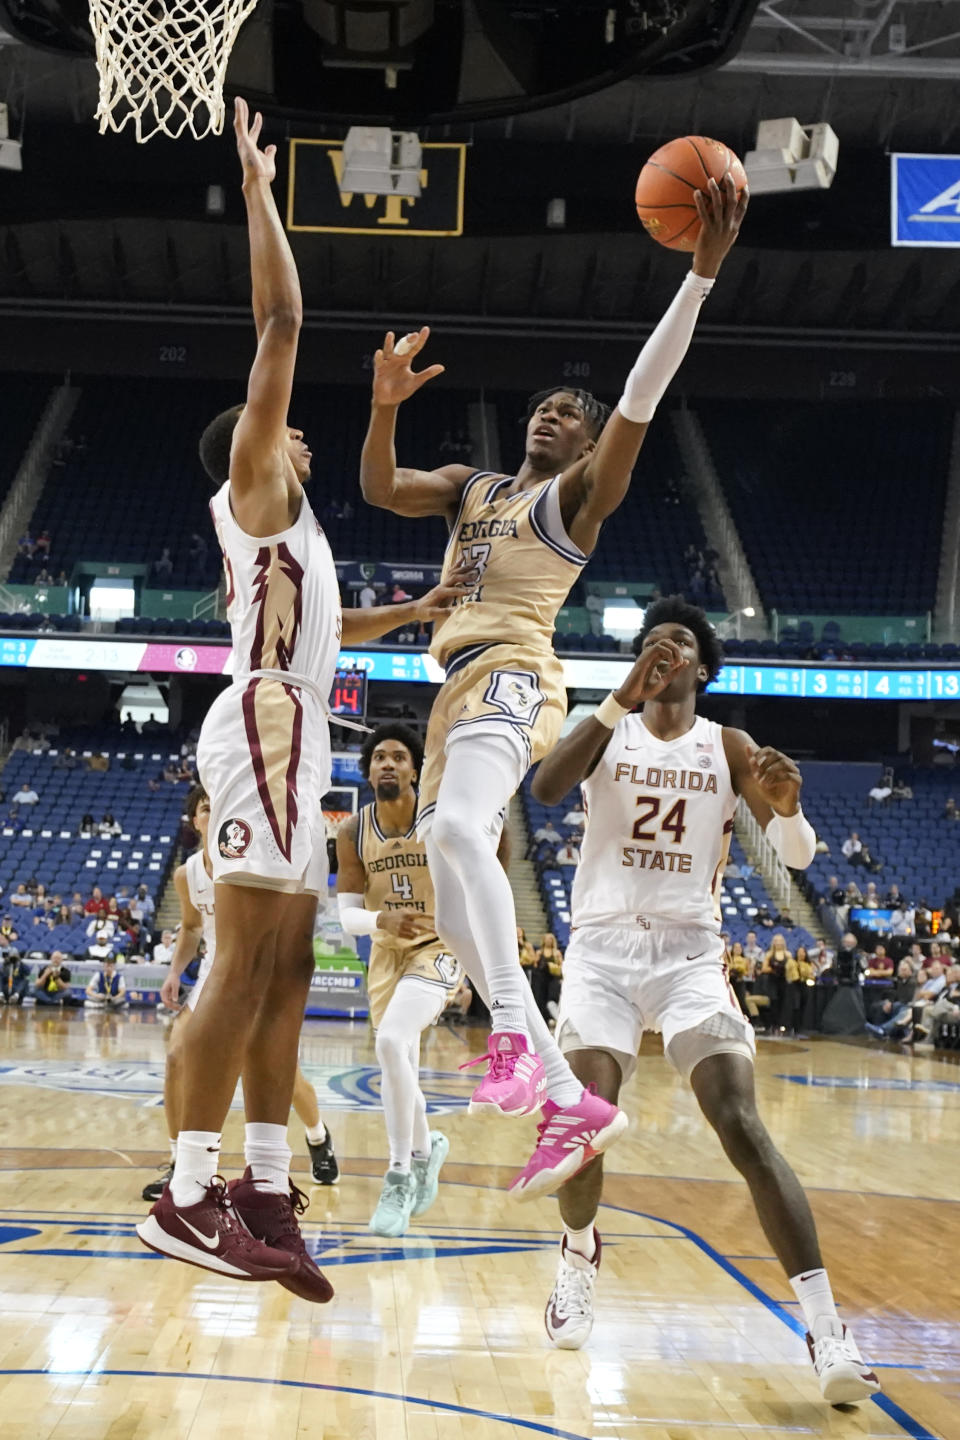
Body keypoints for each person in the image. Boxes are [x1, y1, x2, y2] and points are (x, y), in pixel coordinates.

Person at [138, 100, 468, 1292]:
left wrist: (414, 615)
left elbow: (330, 642)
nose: (303, 439)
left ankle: (268, 1187)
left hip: (296, 715)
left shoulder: (299, 543)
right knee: (242, 964)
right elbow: (282, 316)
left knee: (285, 973)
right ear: (258, 445)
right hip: (269, 723)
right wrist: (259, 183)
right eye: (285, 431)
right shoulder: (257, 486)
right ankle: (186, 1195)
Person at [359, 178, 746, 1196]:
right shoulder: (472, 488)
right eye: (542, 406)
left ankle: (530, 1057)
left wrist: (700, 275)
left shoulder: (577, 501)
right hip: (452, 695)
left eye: (569, 413)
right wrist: (383, 409)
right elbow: (376, 488)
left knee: (448, 839)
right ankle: (546, 1079)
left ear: (584, 448)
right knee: (449, 883)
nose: (553, 415)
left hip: (517, 676)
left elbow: (640, 397)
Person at [530, 596, 879, 1405]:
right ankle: (579, 1253)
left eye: (680, 639)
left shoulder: (727, 743)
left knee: (741, 1122)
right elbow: (546, 789)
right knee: (586, 1119)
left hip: (688, 955)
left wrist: (788, 812)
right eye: (653, 638)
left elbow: (792, 850)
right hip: (603, 951)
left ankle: (828, 1330)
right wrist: (615, 696)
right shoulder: (606, 725)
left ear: (703, 666)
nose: (665, 646)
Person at [337, 724, 501, 1235]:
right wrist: (382, 921)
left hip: (437, 946)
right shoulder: (351, 831)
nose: (388, 764)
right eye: (379, 757)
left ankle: (400, 1174)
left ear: (415, 770)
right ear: (367, 772)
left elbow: (492, 855)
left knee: (390, 1042)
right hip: (387, 953)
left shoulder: (437, 820)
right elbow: (345, 915)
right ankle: (428, 1149)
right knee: (398, 1058)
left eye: (398, 757)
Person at [142, 785, 338, 1204]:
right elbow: (193, 928)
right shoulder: (187, 874)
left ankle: (318, 1136)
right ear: (194, 820)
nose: (212, 813)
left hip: (259, 971)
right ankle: (181, 1161)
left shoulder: (255, 859)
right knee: (178, 1055)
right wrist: (175, 972)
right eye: (204, 808)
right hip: (216, 973)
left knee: (277, 1073)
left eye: (219, 806)